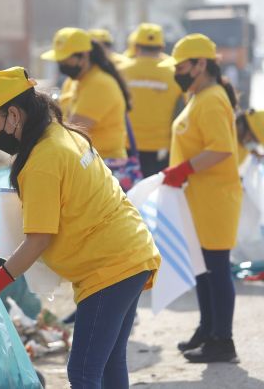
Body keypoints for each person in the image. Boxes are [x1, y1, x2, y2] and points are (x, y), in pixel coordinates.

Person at [0, 66, 161, 388]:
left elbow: (40, 238)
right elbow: (63, 214)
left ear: (13, 114)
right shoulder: (62, 134)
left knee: (82, 372)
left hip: (109, 266)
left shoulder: (43, 159)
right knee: (108, 363)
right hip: (129, 252)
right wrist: (8, 253)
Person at [159, 33, 242, 363]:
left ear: (201, 64)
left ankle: (224, 340)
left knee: (217, 270)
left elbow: (220, 149)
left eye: (180, 66)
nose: (176, 72)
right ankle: (208, 330)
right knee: (203, 270)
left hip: (215, 199)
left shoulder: (211, 99)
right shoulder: (199, 96)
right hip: (198, 199)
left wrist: (183, 170)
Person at [41, 27, 131, 160]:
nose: (61, 63)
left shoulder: (99, 84)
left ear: (84, 56)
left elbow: (74, 130)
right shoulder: (75, 82)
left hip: (104, 162)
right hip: (87, 158)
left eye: (65, 59)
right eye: (59, 59)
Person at [119, 23, 183, 176]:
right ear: (161, 47)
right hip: (161, 148)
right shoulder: (175, 73)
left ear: (136, 47)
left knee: (130, 196)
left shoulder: (121, 71)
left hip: (128, 145)